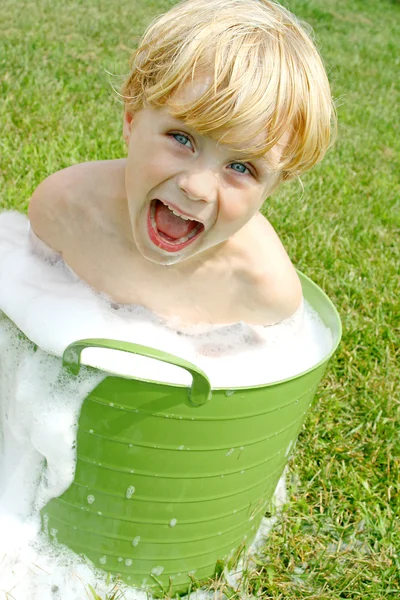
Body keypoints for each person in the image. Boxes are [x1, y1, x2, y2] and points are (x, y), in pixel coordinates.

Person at [28, 0, 335, 328]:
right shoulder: (63, 208)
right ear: (131, 121)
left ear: (273, 187)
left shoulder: (264, 293)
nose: (197, 187)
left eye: (242, 167)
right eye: (182, 138)